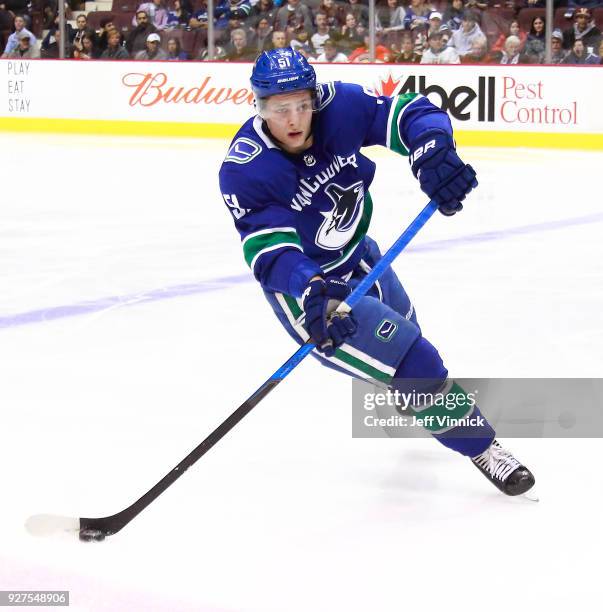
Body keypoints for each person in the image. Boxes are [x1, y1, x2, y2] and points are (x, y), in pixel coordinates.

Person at [218, 47, 536, 497]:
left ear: (314, 97)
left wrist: (432, 150)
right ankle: (483, 447)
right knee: (418, 365)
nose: (293, 119)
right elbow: (271, 253)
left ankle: (416, 395)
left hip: (364, 256)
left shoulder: (341, 106)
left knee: (410, 335)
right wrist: (312, 291)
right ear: (259, 105)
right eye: (278, 108)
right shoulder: (248, 168)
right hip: (312, 292)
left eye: (301, 105)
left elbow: (411, 112)